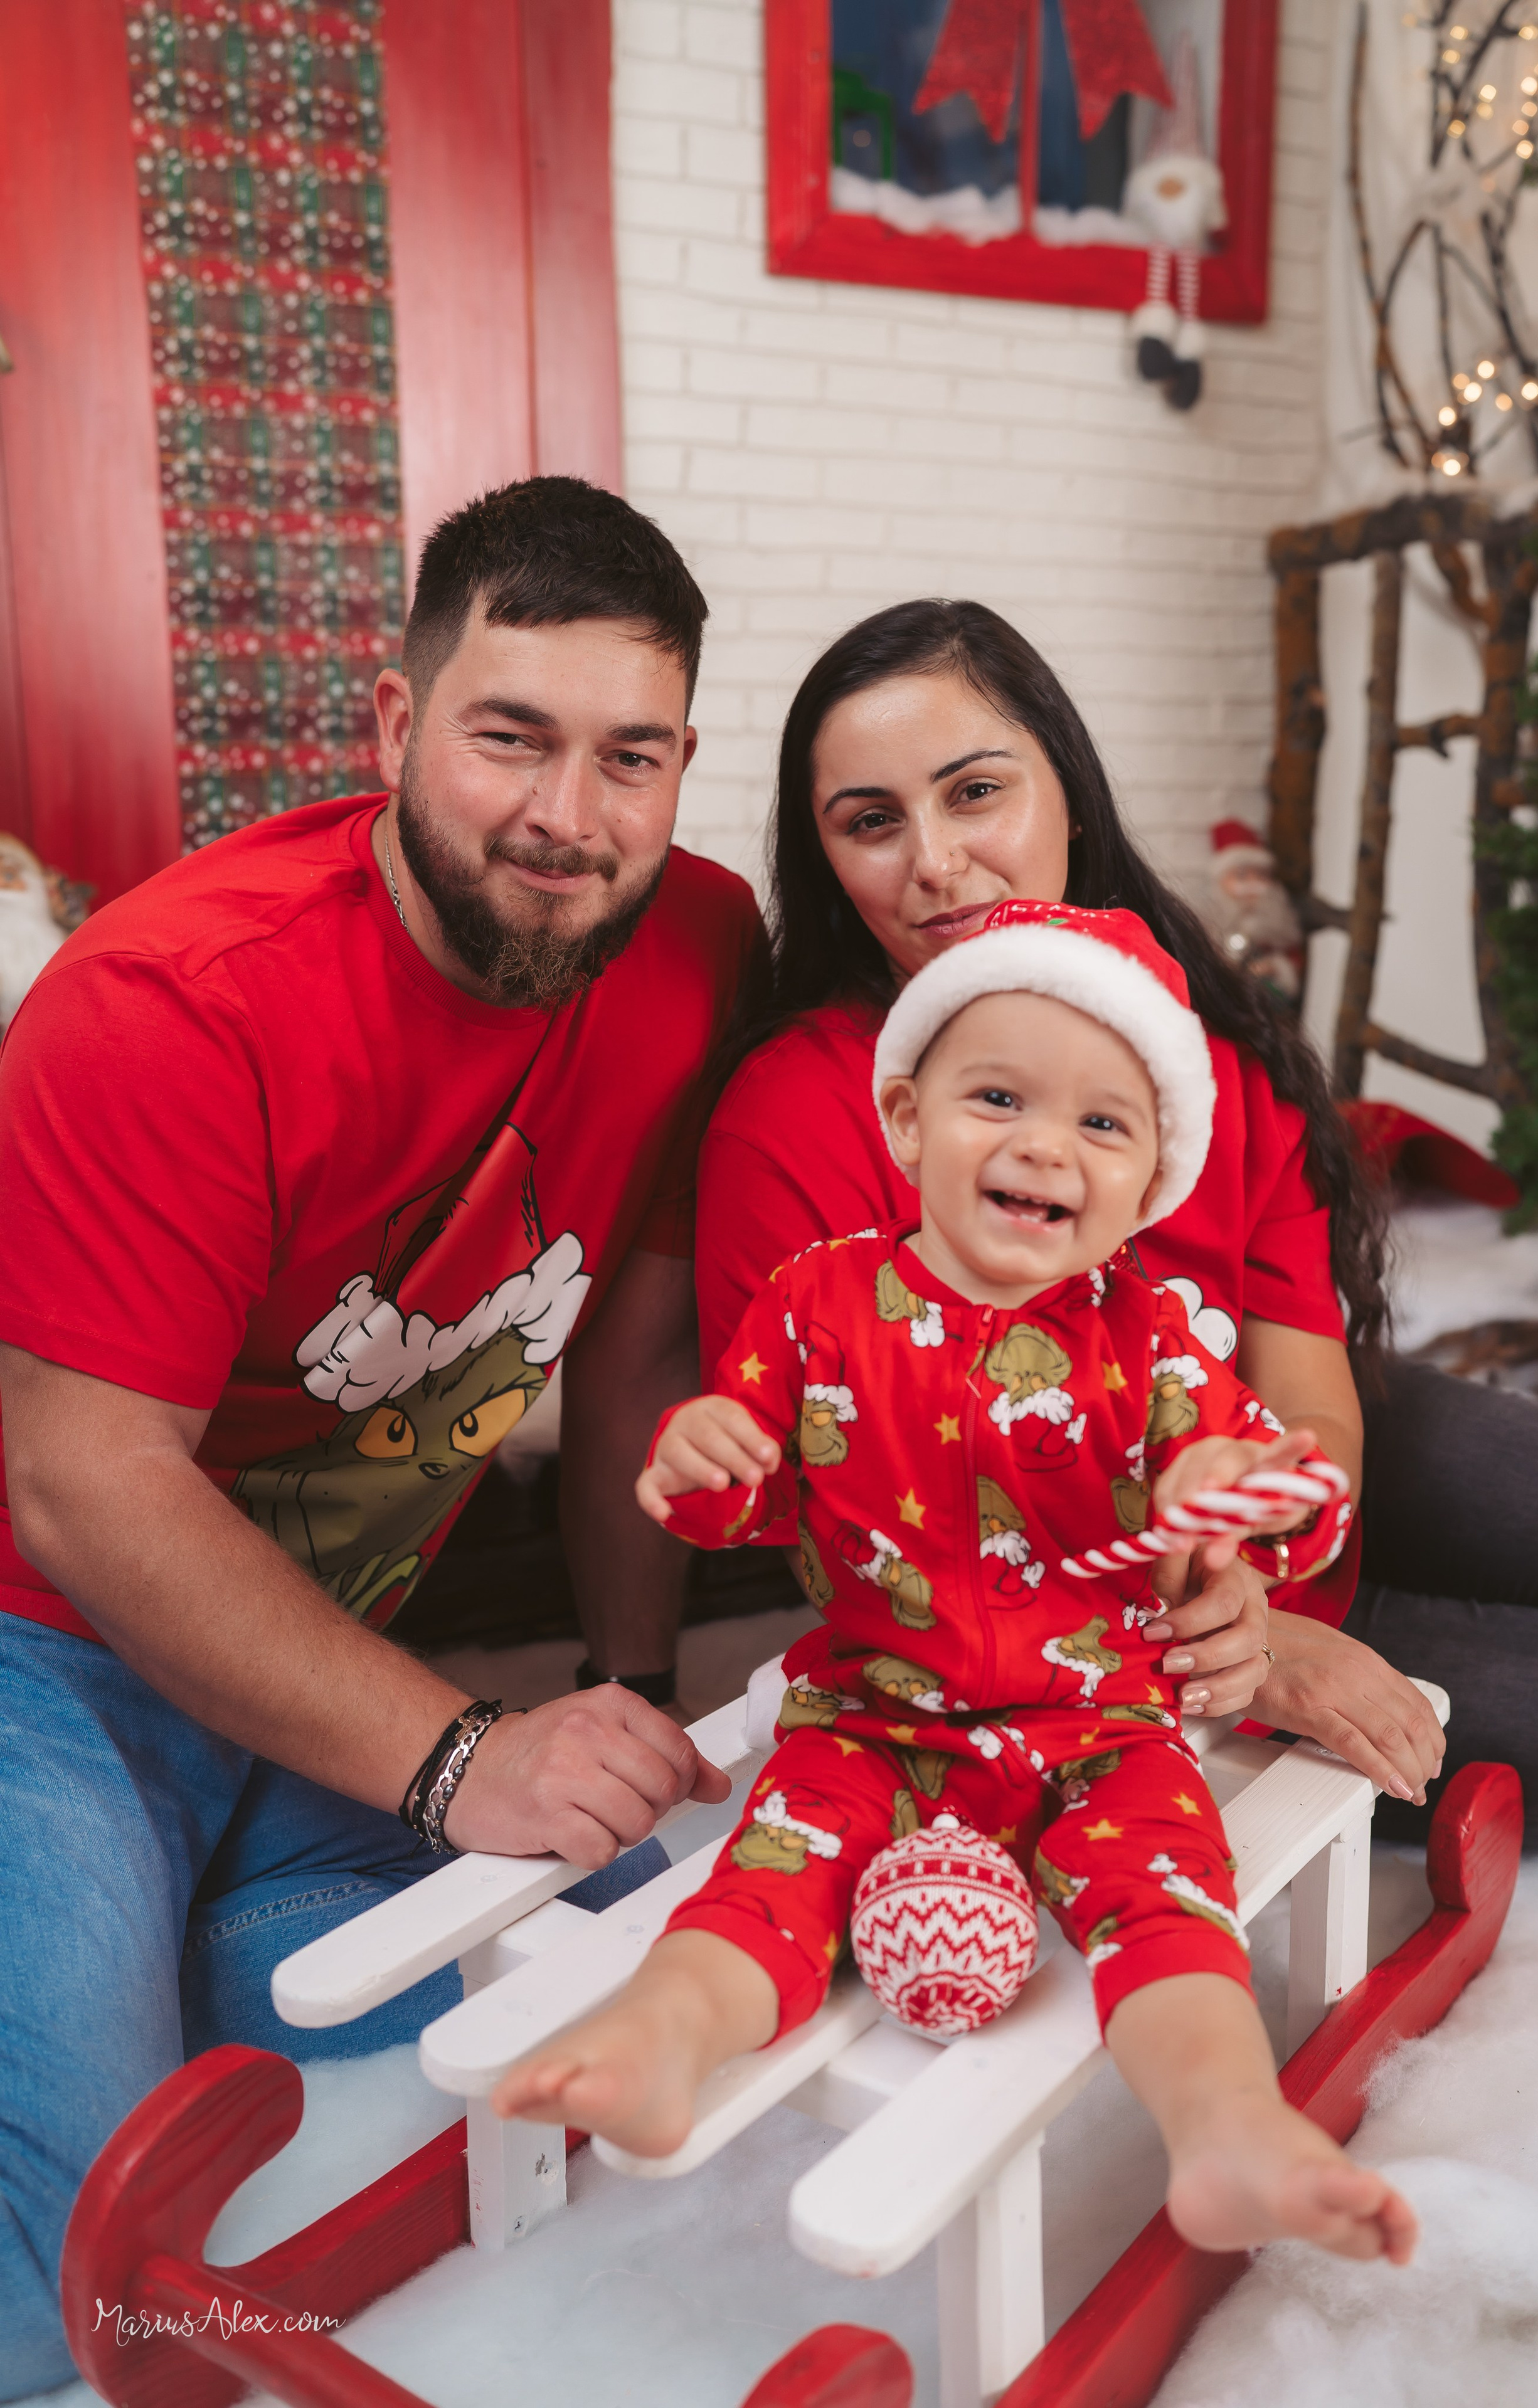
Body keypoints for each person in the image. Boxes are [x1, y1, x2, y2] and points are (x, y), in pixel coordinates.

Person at [0, 477, 759, 2397]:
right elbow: (81, 1487)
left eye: (630, 755)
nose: (568, 817)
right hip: (43, 1646)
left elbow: (641, 1342)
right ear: (397, 724)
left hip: (317, 1635)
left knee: (648, 1931)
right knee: (81, 2270)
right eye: (510, 736)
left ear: (682, 767)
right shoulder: (171, 1002)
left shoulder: (696, 945)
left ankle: (175, 1935)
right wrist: (455, 1759)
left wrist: (619, 1690)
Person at [496, 904, 1414, 2269]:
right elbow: (745, 1505)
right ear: (907, 1121)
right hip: (871, 1715)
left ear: (1151, 1183)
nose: (1045, 1144)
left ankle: (1225, 2127)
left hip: (1102, 1729)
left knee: (1171, 1911)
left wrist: (1254, 1490)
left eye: (1102, 1125)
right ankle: (662, 2038)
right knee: (762, 1885)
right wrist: (700, 1457)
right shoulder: (816, 1305)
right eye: (998, 1098)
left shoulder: (1153, 1343)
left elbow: (1288, 1519)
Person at [692, 599, 1538, 1847]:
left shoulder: (1207, 1056)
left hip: (1286, 1500)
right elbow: (848, 1521)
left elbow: (1310, 1390)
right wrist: (1244, 1647)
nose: (935, 862)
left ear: (1069, 796)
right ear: (828, 863)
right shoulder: (794, 1116)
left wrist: (1268, 1559)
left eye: (974, 793)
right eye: (871, 821)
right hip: (1080, 1656)